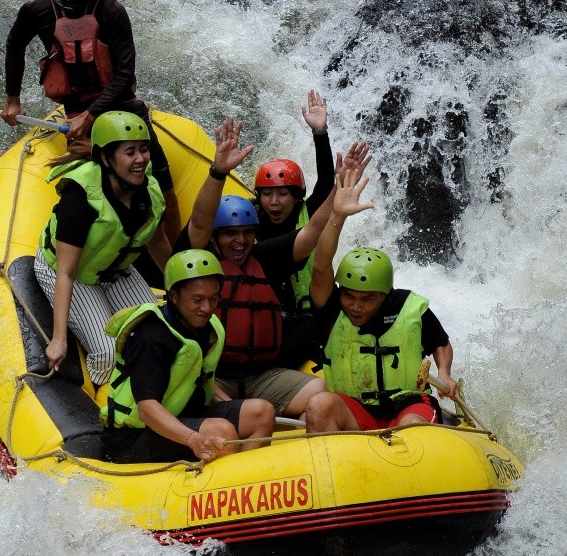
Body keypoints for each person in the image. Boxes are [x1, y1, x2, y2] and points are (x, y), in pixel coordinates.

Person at [0, 0, 180, 244]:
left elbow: (124, 75)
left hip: (120, 105)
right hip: (75, 110)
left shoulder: (111, 11)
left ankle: (174, 247)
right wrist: (13, 100)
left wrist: (92, 115)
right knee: (88, 186)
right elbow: (15, 45)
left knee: (161, 177)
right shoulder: (38, 12)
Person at [175, 116, 338, 421]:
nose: (240, 241)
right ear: (215, 236)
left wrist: (338, 200)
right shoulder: (198, 262)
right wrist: (218, 171)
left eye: (246, 233)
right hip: (212, 374)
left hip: (262, 372)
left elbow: (313, 231)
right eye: (230, 234)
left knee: (325, 395)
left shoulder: (262, 257)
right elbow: (199, 221)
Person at [305, 165, 461, 434]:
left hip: (409, 406)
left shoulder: (408, 307)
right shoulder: (333, 308)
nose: (355, 306)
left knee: (410, 427)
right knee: (319, 405)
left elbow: (440, 343)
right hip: (356, 410)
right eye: (349, 296)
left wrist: (444, 372)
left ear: (384, 295)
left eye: (366, 299)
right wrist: (337, 217)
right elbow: (320, 267)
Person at [34, 110, 171, 387]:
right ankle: (103, 399)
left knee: (157, 337)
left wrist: (181, 285)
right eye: (129, 152)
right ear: (106, 158)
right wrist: (59, 339)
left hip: (115, 269)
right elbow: (66, 273)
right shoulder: (81, 197)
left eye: (143, 150)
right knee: (108, 352)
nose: (140, 159)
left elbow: (157, 242)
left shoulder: (149, 190)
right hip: (70, 272)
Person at [100, 249, 275, 464]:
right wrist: (193, 439)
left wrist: (232, 408)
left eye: (213, 299)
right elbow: (146, 409)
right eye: (197, 299)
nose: (207, 308)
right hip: (132, 437)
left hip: (185, 414)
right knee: (224, 433)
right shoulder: (151, 337)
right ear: (173, 296)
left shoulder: (203, 326)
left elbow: (196, 378)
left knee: (262, 412)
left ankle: (249, 483)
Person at [254, 89, 371, 365]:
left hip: (313, 307)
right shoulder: (251, 221)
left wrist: (321, 133)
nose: (274, 202)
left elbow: (328, 183)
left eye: (283, 194)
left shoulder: (309, 210)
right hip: (273, 312)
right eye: (268, 194)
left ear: (296, 196)